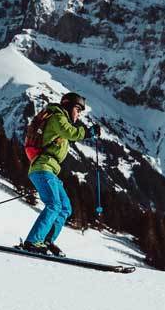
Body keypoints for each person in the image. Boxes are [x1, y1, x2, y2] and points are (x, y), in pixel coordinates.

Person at [20, 92, 101, 257]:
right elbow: (70, 132)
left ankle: (46, 241)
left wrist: (86, 131)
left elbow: (68, 136)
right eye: (78, 110)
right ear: (70, 107)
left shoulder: (59, 119)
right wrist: (88, 132)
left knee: (65, 208)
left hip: (50, 170)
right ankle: (33, 241)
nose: (78, 115)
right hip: (43, 168)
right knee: (54, 204)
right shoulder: (57, 116)